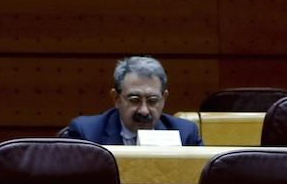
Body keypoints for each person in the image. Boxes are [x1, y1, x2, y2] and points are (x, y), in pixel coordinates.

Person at [65, 56, 203, 145]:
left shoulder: (185, 135)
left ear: (164, 98)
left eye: (152, 101)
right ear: (116, 98)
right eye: (134, 100)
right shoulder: (87, 135)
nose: (144, 110)